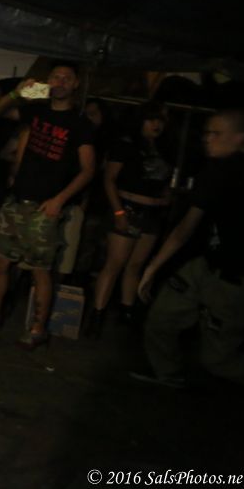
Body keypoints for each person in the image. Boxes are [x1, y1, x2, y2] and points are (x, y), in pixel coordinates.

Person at [133, 110, 244, 389]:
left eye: (217, 134)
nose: (208, 139)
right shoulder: (218, 169)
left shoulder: (226, 172)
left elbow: (184, 229)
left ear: (239, 138)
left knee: (218, 361)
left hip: (235, 281)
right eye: (206, 133)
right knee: (162, 317)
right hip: (206, 264)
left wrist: (151, 268)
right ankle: (167, 372)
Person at [0, 63, 96, 349]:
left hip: (46, 206)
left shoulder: (81, 124)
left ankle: (38, 328)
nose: (60, 81)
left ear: (76, 84)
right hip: (17, 199)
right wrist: (17, 93)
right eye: (56, 77)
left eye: (67, 78)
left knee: (39, 270)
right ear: (49, 81)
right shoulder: (37, 110)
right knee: (0, 261)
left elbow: (88, 170)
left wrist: (60, 199)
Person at [87, 101, 171, 336]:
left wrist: (166, 195)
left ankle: (126, 312)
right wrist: (119, 212)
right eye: (152, 119)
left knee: (135, 265)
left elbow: (164, 180)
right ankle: (97, 315)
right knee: (114, 264)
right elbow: (109, 179)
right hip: (129, 208)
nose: (156, 125)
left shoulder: (164, 148)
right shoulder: (126, 144)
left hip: (152, 212)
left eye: (160, 120)